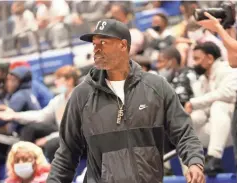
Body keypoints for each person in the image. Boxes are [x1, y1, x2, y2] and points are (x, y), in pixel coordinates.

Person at [47, 19, 205, 183]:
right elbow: (66, 153)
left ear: (123, 45)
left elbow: (184, 132)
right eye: (94, 44)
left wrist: (194, 162)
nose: (96, 49)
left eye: (103, 43)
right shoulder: (82, 95)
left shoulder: (156, 86)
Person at [0, 65, 81, 162]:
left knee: (52, 144)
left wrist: (48, 138)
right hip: (62, 134)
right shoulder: (58, 100)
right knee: (30, 129)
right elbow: (41, 115)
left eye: (58, 79)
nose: (55, 82)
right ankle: (23, 160)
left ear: (69, 80)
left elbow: (74, 131)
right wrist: (15, 116)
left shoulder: (79, 99)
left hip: (78, 138)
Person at [184, 42, 237, 176]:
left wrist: (193, 103)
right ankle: (190, 172)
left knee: (219, 104)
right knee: (187, 125)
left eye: (197, 58)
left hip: (233, 126)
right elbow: (203, 110)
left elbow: (228, 94)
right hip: (217, 130)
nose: (194, 63)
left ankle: (214, 158)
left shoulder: (228, 69)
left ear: (210, 58)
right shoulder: (201, 80)